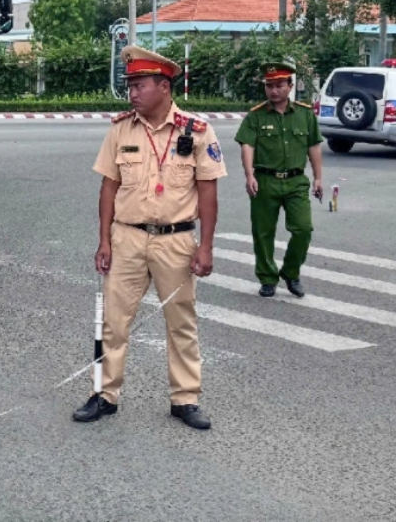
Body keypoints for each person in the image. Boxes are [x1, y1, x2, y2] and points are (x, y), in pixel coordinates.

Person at [74, 45, 226, 431]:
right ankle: (105, 394)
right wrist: (104, 241)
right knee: (114, 321)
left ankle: (185, 398)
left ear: (163, 86)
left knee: (181, 322)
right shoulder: (120, 130)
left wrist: (205, 246)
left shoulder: (198, 131)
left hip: (175, 241)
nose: (132, 93)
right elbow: (108, 188)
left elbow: (208, 192)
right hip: (127, 238)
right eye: (131, 86)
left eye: (139, 85)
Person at [234, 61, 324, 298]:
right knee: (263, 232)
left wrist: (318, 178)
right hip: (265, 180)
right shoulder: (256, 116)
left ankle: (291, 272)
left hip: (296, 181)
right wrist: (249, 174)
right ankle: (267, 277)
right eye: (269, 86)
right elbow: (247, 145)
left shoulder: (305, 114)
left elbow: (313, 146)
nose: (274, 90)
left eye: (279, 85)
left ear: (290, 86)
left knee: (303, 229)